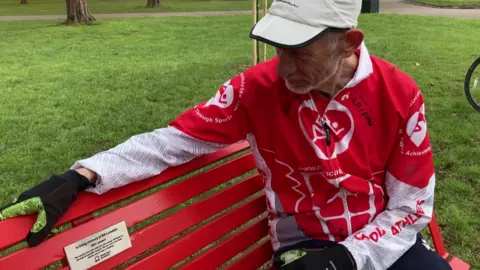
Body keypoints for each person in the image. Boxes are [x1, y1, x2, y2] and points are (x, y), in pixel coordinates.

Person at [0, 0, 453, 269]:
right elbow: (171, 141)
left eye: (301, 53)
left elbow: (411, 206)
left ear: (350, 44)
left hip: (379, 243)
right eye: (279, 50)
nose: (284, 67)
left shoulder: (399, 94)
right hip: (307, 247)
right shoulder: (255, 90)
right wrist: (83, 174)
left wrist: (352, 257)